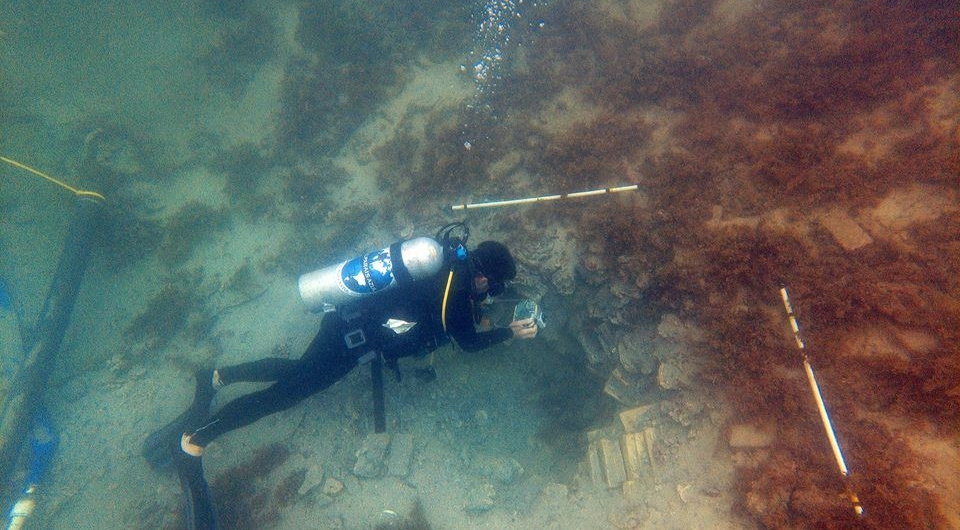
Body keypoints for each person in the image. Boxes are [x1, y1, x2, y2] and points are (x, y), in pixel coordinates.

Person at [142, 232, 538, 529]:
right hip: (351, 341)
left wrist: (478, 313)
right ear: (483, 277)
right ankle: (193, 443)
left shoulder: (445, 260)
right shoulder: (455, 290)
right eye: (492, 286)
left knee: (298, 372)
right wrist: (510, 333)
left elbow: (447, 316)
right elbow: (467, 342)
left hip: (347, 327)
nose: (490, 292)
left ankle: (215, 377)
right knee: (283, 396)